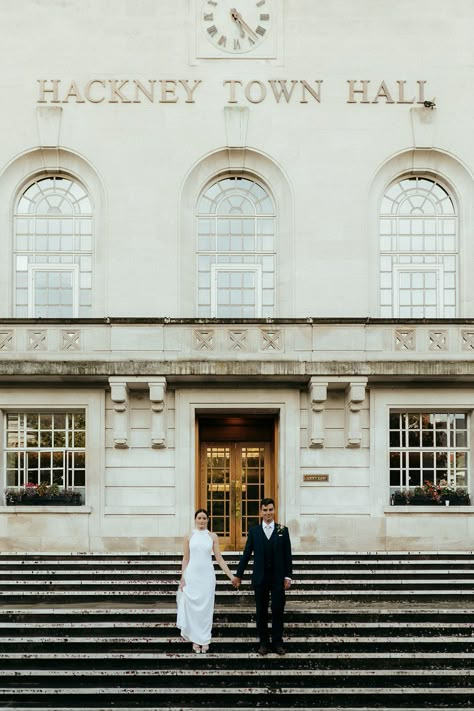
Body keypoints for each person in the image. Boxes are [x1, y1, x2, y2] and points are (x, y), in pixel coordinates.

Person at [234, 497, 293, 655]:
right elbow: (246, 554)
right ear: (261, 512)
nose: (268, 513)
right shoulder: (254, 531)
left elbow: (288, 555)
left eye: (271, 509)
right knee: (261, 611)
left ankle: (277, 642)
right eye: (265, 510)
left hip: (278, 579)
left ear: (274, 510)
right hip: (260, 578)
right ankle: (263, 643)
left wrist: (288, 576)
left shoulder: (282, 530)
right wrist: (238, 575)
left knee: (277, 609)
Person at [177, 508, 237, 653]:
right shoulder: (188, 536)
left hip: (207, 577)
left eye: (204, 518)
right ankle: (195, 639)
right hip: (192, 576)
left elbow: (219, 558)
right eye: (199, 518)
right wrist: (182, 578)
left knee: (205, 609)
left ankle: (204, 639)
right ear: (195, 519)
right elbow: (186, 558)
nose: (202, 521)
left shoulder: (213, 536)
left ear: (208, 520)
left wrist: (231, 576)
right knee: (193, 609)